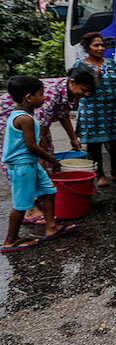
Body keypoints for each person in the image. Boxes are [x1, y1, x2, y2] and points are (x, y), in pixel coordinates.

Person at [0, 66, 98, 224]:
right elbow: (40, 137)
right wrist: (43, 164)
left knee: (43, 156)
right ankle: (29, 209)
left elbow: (63, 114)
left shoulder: (67, 91)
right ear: (72, 82)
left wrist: (73, 138)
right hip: (5, 119)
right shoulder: (49, 97)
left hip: (32, 121)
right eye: (84, 90)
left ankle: (40, 196)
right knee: (22, 161)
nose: (86, 94)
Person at [2, 76, 77, 252]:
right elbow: (31, 147)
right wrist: (52, 159)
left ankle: (51, 227)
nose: (44, 98)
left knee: (49, 191)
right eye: (41, 94)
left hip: (31, 164)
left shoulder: (26, 116)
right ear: (29, 97)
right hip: (22, 167)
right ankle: (10, 240)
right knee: (21, 205)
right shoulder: (24, 119)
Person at [74, 32, 116, 187]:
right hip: (92, 110)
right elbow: (77, 89)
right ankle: (100, 176)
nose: (101, 48)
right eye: (96, 45)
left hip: (112, 109)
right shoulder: (80, 66)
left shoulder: (111, 64)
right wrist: (93, 76)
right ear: (87, 48)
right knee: (95, 144)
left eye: (102, 45)